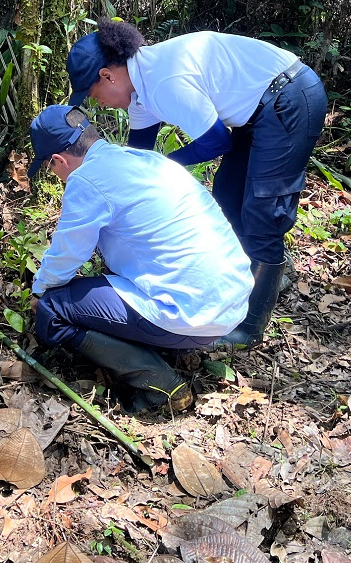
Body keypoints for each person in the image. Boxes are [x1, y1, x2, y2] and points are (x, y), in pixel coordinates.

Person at [65, 20, 328, 349]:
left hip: (289, 97)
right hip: (256, 111)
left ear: (108, 76)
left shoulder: (164, 81)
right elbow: (136, 159)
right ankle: (238, 290)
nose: (99, 103)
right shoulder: (141, 92)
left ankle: (248, 328)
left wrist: (165, 167)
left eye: (94, 94)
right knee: (228, 201)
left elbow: (216, 142)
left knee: (264, 212)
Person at [27, 104, 253, 414]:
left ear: (58, 160)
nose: (57, 175)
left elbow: (67, 255)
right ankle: (160, 347)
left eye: (52, 168)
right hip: (230, 305)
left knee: (54, 307)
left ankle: (159, 383)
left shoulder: (86, 180)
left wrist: (39, 292)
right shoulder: (144, 159)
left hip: (191, 314)